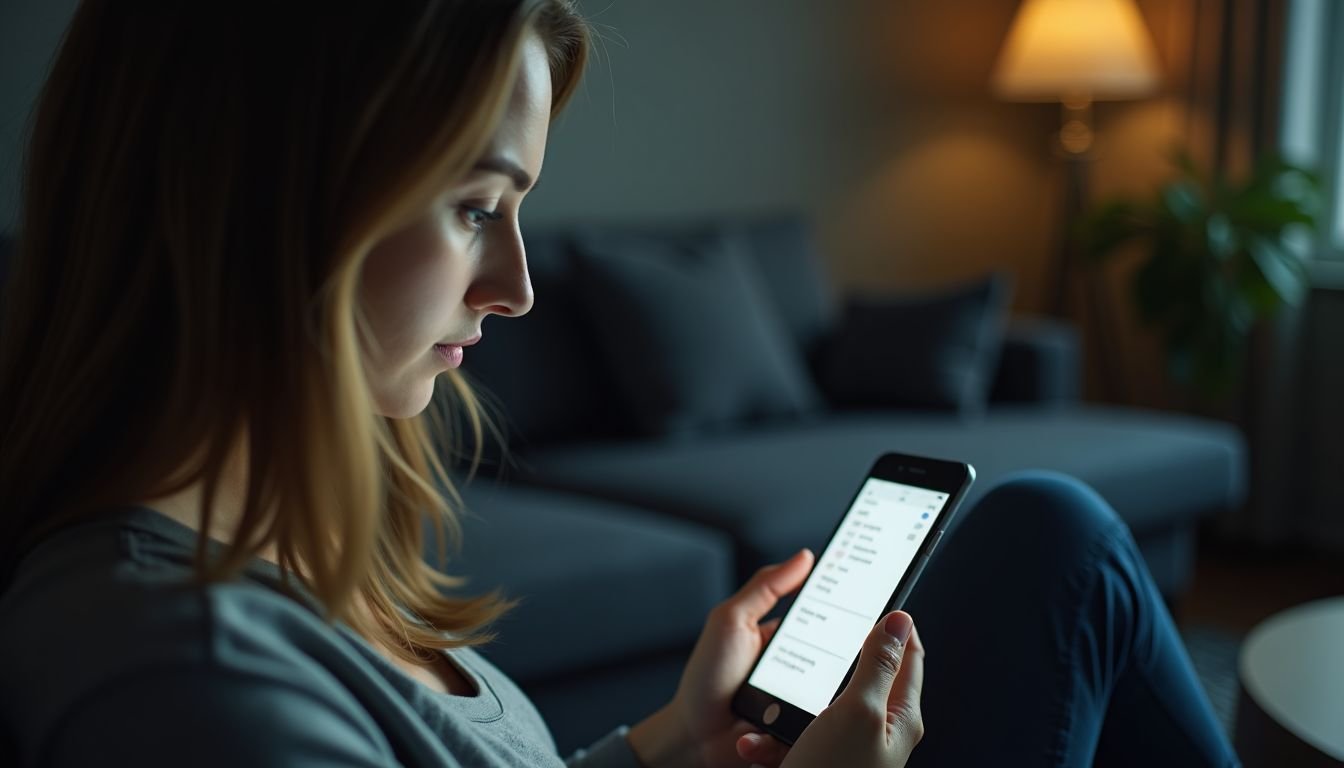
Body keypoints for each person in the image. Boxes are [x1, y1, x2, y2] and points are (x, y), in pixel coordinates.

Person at [0, 1, 1238, 766]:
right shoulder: (179, 676)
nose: (518, 285)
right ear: (268, 202)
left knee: (1043, 525)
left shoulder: (252, 562)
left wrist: (669, 745)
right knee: (1059, 551)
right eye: (478, 205)